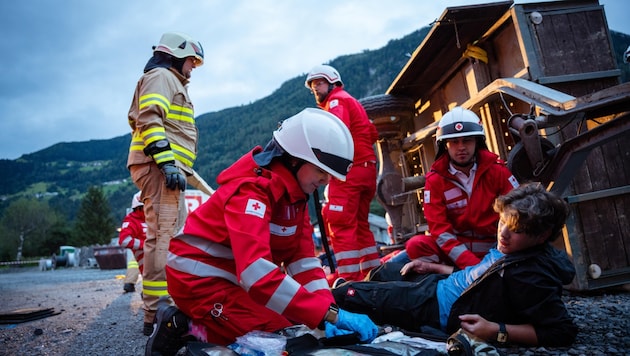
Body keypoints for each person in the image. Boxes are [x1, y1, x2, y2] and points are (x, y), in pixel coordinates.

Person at [145, 108, 378, 355]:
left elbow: (305, 265)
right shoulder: (251, 192)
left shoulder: (295, 198)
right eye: (321, 171)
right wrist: (329, 314)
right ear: (294, 158)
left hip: (237, 281)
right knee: (276, 341)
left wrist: (327, 312)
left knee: (299, 326)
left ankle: (210, 325)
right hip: (199, 281)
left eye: (329, 175)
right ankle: (184, 326)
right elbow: (256, 273)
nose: (326, 181)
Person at [332, 183, 578, 347]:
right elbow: (483, 279)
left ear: (542, 235)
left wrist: (495, 330)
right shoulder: (518, 249)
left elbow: (562, 332)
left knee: (349, 294)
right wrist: (436, 268)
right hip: (440, 284)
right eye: (503, 222)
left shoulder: (531, 275)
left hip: (435, 307)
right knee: (383, 272)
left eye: (517, 230)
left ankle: (336, 300)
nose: (503, 234)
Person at [126, 31, 204, 336]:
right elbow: (149, 119)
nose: (192, 69)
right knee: (164, 237)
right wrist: (166, 161)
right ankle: (158, 311)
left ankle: (164, 306)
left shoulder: (169, 79)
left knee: (169, 236)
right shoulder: (161, 76)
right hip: (161, 168)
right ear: (176, 54)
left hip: (168, 169)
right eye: (190, 63)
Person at [403, 106, 519, 269]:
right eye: (454, 142)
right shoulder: (435, 181)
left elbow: (520, 210)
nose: (461, 147)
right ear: (444, 145)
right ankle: (455, 274)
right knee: (416, 244)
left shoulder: (497, 171)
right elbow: (440, 230)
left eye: (467, 140)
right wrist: (472, 266)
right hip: (459, 254)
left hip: (498, 246)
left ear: (477, 142)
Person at [304, 64, 381, 283]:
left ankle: (349, 281)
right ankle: (372, 275)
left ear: (332, 82)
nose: (315, 89)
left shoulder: (336, 101)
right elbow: (371, 133)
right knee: (361, 225)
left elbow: (335, 129)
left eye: (319, 83)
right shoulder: (353, 101)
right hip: (367, 171)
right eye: (313, 86)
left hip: (349, 173)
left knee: (340, 223)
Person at [118, 191, 147, 293]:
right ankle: (148, 293)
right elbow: (124, 240)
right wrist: (146, 245)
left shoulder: (153, 218)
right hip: (147, 257)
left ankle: (131, 283)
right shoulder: (132, 220)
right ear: (139, 207)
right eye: (148, 206)